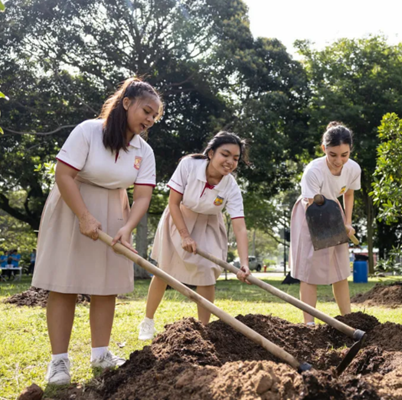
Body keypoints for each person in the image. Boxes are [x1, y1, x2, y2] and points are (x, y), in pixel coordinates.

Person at [32, 77, 162, 385]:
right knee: (65, 283)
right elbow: (63, 174)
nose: (150, 120)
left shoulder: (144, 150)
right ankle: (59, 362)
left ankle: (101, 354)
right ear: (126, 102)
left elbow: (142, 196)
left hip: (115, 210)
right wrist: (84, 216)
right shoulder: (89, 131)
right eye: (146, 111)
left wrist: (127, 229)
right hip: (73, 202)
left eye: (155, 116)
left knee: (106, 286)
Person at [138, 131, 251, 339]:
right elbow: (173, 202)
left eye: (235, 158)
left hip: (209, 223)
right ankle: (147, 321)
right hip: (179, 216)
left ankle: (204, 329)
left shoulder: (231, 187)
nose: (230, 162)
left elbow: (240, 226)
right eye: (225, 154)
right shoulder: (189, 165)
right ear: (210, 153)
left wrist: (244, 263)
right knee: (164, 271)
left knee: (207, 273)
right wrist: (184, 235)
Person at [289, 121, 361, 325]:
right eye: (333, 155)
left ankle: (348, 319)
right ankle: (309, 324)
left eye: (344, 154)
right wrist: (333, 227)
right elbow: (313, 204)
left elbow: (348, 195)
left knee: (340, 269)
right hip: (310, 212)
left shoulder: (353, 168)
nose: (339, 161)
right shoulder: (313, 171)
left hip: (334, 210)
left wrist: (347, 222)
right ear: (324, 149)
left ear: (350, 150)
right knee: (310, 270)